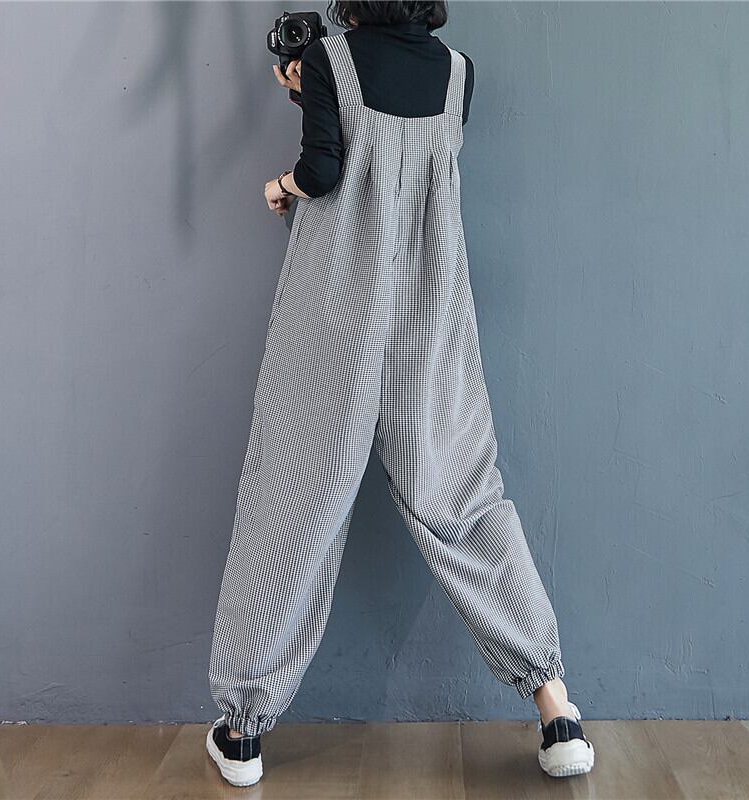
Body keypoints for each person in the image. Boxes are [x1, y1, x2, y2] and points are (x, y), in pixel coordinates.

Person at [205, 0, 594, 787]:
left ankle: (242, 731)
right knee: (464, 498)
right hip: (430, 319)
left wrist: (282, 181)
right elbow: (406, 161)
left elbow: (326, 171)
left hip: (334, 317)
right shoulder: (457, 75)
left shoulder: (331, 59)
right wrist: (317, 92)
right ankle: (556, 709)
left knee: (295, 501)